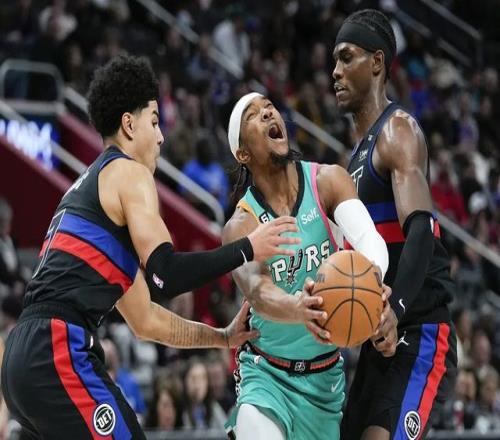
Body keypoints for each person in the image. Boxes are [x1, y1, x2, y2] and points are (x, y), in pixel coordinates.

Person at [1, 55, 300, 439]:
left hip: (22, 359)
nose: (161, 137)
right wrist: (247, 248)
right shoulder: (129, 172)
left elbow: (147, 321)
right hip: (56, 347)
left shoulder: (91, 196)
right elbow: (165, 274)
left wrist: (222, 337)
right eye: (155, 122)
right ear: (129, 124)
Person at [222, 92, 396, 440]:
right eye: (254, 115)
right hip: (265, 375)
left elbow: (369, 239)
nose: (268, 113)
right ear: (243, 154)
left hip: (324, 382)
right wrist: (299, 308)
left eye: (270, 107)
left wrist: (373, 287)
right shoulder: (240, 225)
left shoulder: (327, 181)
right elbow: (258, 292)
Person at [331, 9, 458, 440]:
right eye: (334, 61)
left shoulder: (398, 132)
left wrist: (395, 309)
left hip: (418, 330)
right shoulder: (353, 161)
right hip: (379, 338)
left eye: (346, 57)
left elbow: (421, 230)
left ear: (377, 63)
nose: (335, 71)